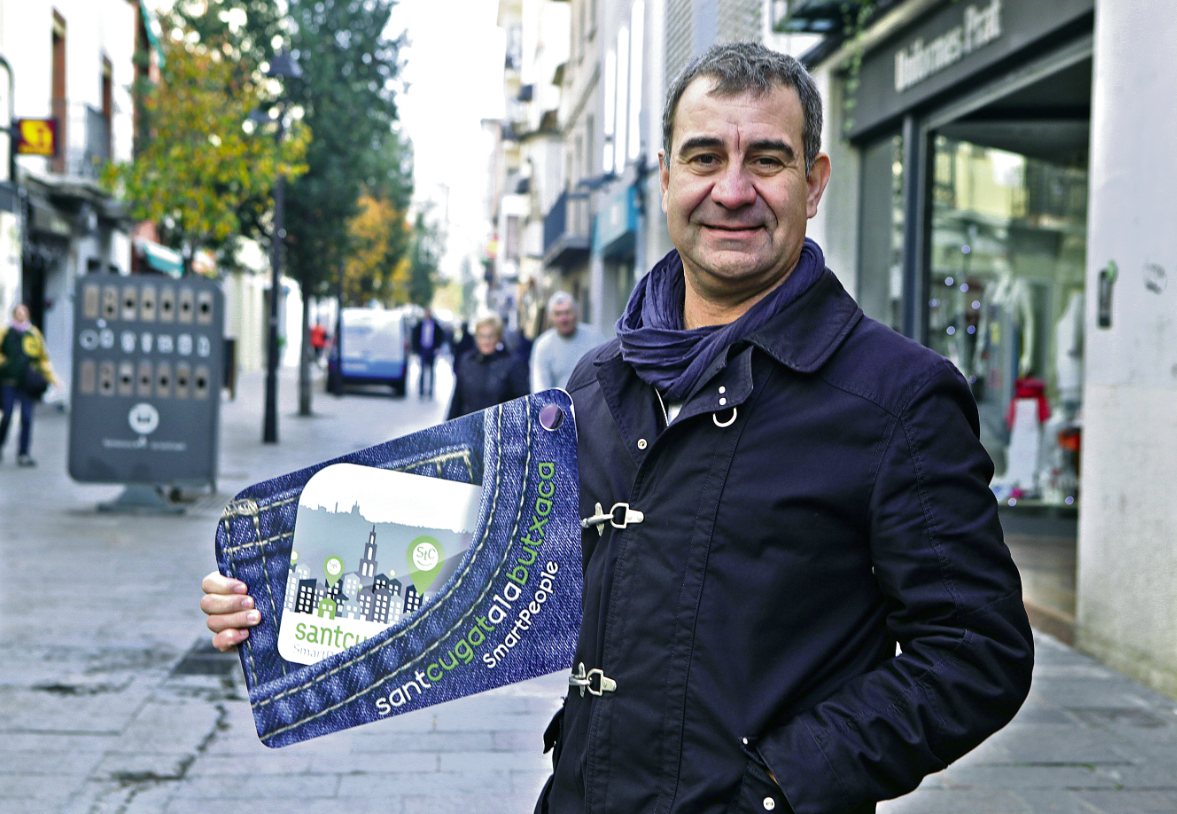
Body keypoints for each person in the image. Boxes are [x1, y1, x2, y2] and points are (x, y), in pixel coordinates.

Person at [202, 42, 1033, 814]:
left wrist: (780, 784)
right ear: (665, 178)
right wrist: (278, 600)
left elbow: (975, 651)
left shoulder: (898, 399)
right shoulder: (601, 381)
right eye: (705, 157)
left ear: (813, 184)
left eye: (767, 160)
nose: (733, 190)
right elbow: (488, 570)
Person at [0, 303, 58, 466]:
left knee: (26, 418)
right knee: (7, 416)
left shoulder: (33, 334)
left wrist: (52, 378)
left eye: (24, 312)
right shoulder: (3, 333)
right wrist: (3, 363)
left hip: (27, 384)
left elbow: (43, 358)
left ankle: (23, 453)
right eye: (18, 312)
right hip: (8, 382)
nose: (21, 315)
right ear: (13, 315)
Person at [443, 312, 529, 420]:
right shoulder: (467, 361)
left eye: (490, 336)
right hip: (469, 428)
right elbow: (457, 399)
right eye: (481, 336)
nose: (486, 341)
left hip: (499, 429)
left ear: (498, 337)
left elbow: (522, 403)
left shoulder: (513, 363)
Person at [529, 291, 605, 392]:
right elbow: (540, 388)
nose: (563, 318)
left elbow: (607, 374)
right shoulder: (543, 345)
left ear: (577, 313)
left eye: (567, 312)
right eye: (558, 314)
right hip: (559, 406)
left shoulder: (595, 337)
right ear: (550, 317)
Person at [410, 307, 446, 399]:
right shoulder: (420, 324)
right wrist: (416, 349)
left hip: (432, 350)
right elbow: (415, 336)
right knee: (422, 370)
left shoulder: (435, 325)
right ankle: (421, 391)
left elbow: (440, 336)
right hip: (423, 349)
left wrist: (437, 348)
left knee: (431, 371)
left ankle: (430, 391)